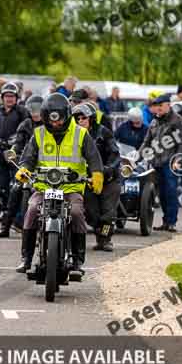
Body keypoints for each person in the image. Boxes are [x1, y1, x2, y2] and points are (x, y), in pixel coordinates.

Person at [16, 93, 103, 279]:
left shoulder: (81, 133)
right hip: (43, 187)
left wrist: (96, 175)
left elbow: (94, 158)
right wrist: (23, 169)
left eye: (59, 120)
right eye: (51, 120)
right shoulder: (38, 133)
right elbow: (28, 158)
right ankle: (26, 258)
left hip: (71, 188)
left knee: (77, 213)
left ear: (66, 115)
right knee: (31, 210)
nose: (55, 124)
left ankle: (78, 261)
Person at [139, 93, 182, 232]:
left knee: (171, 191)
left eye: (161, 105)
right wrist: (138, 156)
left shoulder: (177, 120)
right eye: (156, 106)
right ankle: (165, 221)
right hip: (156, 162)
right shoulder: (154, 121)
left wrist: (178, 159)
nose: (158, 108)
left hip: (171, 163)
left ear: (168, 105)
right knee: (161, 193)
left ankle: (171, 222)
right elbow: (146, 141)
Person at [0, 82, 28, 238]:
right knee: (2, 186)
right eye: (7, 96)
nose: (9, 99)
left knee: (18, 185)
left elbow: (27, 131)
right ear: (2, 98)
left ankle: (18, 219)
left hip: (16, 154)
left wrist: (11, 142)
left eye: (12, 96)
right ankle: (7, 220)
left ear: (16, 98)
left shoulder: (23, 112)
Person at [73, 102, 120, 252]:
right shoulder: (73, 135)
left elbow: (115, 153)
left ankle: (105, 240)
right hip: (86, 180)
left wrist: (108, 169)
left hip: (109, 178)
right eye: (77, 118)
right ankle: (99, 234)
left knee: (108, 214)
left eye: (84, 118)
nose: (81, 121)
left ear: (91, 118)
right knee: (92, 213)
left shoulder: (103, 132)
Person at [6, 95, 43, 256]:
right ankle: (6, 226)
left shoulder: (49, 125)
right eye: (32, 109)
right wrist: (14, 150)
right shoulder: (25, 124)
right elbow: (19, 141)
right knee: (15, 189)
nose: (35, 113)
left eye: (38, 109)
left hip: (45, 167)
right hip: (27, 164)